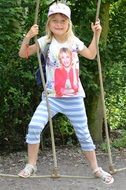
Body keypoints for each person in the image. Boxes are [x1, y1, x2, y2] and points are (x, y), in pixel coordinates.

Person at [18, 2, 114, 184]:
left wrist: (97, 33)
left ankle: (95, 168)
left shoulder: (74, 42)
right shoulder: (44, 41)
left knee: (84, 134)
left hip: (74, 98)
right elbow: (23, 54)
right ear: (49, 23)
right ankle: (31, 165)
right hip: (51, 98)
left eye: (63, 20)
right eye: (55, 20)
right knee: (34, 127)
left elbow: (92, 54)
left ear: (68, 23)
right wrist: (28, 36)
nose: (59, 24)